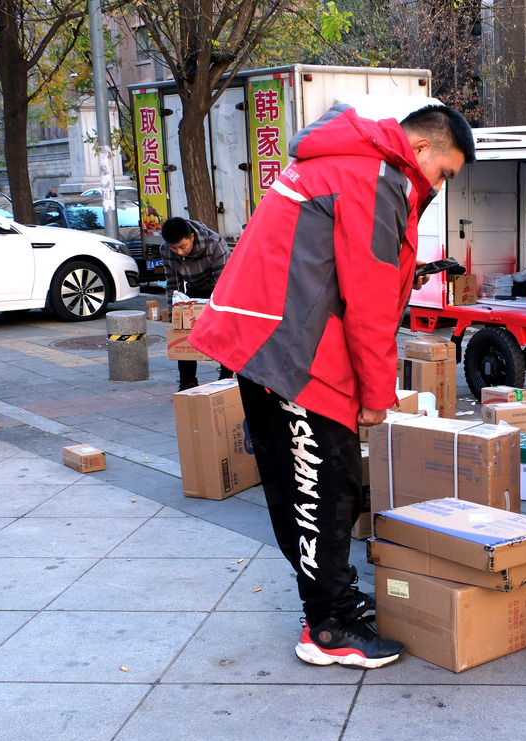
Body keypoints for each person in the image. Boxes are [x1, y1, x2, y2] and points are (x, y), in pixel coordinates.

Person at [189, 102, 475, 669]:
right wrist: (376, 396)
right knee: (324, 487)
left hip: (272, 343)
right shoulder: (375, 178)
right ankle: (328, 627)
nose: (440, 187)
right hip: (294, 354)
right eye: (444, 173)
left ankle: (333, 599)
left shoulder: (346, 162)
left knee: (308, 483)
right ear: (420, 148)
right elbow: (369, 301)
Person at [159, 216, 233, 390]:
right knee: (184, 329)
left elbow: (223, 283)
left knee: (223, 327)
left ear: (192, 237)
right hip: (196, 288)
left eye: (182, 246)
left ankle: (226, 374)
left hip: (223, 287)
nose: (179, 252)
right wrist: (174, 314)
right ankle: (187, 381)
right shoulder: (166, 250)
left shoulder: (214, 244)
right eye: (174, 248)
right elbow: (174, 285)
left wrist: (215, 312)